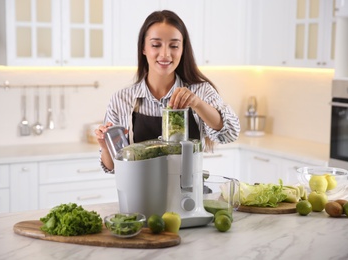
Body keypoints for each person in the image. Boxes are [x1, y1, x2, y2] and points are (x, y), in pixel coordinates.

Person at [96, 10, 240, 173]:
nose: (165, 54)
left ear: (183, 49)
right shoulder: (122, 99)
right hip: (141, 195)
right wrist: (105, 147)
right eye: (156, 45)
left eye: (174, 45)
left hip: (188, 194)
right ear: (143, 48)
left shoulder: (200, 91)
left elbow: (229, 134)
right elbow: (113, 167)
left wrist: (197, 103)